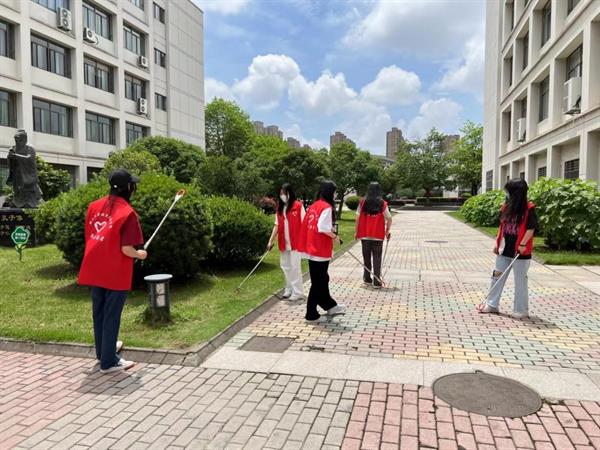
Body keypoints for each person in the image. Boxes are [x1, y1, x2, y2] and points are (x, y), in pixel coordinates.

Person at [78, 169, 147, 373]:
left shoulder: (93, 206)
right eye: (132, 185)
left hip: (95, 267)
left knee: (99, 312)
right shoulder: (128, 213)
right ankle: (108, 362)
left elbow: (90, 236)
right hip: (116, 271)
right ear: (128, 188)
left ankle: (104, 351)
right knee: (111, 315)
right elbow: (126, 249)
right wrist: (140, 254)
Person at [478, 179, 537, 319]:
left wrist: (523, 244)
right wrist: (497, 244)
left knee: (520, 281)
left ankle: (520, 310)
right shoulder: (505, 207)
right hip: (504, 249)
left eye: (508, 190)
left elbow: (531, 228)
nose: (507, 193)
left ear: (515, 192)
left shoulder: (529, 208)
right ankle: (492, 305)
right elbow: (502, 227)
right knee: (497, 276)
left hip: (520, 252)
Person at [298, 180, 347, 322]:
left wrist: (330, 229)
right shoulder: (326, 207)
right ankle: (311, 314)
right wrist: (335, 237)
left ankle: (330, 306)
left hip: (311, 248)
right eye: (335, 192)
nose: (335, 194)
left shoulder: (314, 205)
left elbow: (316, 225)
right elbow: (322, 228)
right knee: (318, 283)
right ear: (330, 192)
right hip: (319, 249)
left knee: (322, 279)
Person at [267, 183, 305, 301]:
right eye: (281, 193)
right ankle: (289, 289)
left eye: (284, 193)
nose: (282, 195)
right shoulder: (280, 207)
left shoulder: (298, 206)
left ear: (290, 193)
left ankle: (298, 292)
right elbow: (277, 225)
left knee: (295, 268)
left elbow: (304, 224)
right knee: (285, 267)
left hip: (296, 243)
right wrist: (270, 241)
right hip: (284, 242)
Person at [355, 182, 392, 288]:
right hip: (378, 235)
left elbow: (357, 217)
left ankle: (367, 278)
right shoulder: (383, 203)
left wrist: (356, 231)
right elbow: (389, 218)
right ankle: (376, 281)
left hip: (365, 234)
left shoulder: (362, 202)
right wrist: (387, 231)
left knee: (366, 257)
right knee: (377, 257)